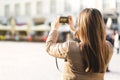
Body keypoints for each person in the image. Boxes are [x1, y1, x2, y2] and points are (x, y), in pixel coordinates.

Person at [46, 8, 113, 80]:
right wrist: (73, 29)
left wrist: (54, 29)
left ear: (82, 27)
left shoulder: (69, 48)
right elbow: (91, 40)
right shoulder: (108, 48)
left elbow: (49, 47)